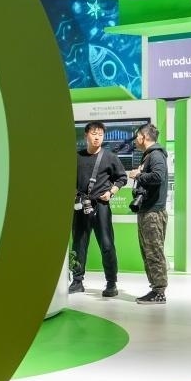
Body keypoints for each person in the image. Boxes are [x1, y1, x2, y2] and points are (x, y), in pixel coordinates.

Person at [70, 121, 128, 296]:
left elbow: (122, 178)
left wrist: (111, 192)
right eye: (94, 133)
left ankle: (111, 283)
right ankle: (77, 281)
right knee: (78, 244)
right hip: (81, 206)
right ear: (86, 135)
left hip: (101, 206)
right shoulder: (77, 157)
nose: (97, 137)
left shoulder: (110, 157)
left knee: (107, 244)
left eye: (101, 134)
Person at [127, 124, 169, 305]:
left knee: (154, 253)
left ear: (143, 137)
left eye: (137, 136)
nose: (135, 140)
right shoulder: (149, 155)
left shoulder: (156, 155)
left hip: (153, 213)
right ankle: (155, 289)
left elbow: (158, 176)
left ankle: (159, 292)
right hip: (147, 211)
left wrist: (138, 175)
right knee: (148, 252)